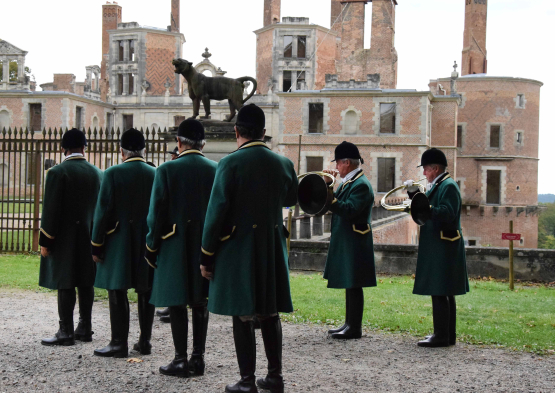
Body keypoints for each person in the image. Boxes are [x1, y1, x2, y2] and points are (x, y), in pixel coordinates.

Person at [200, 104, 298, 393]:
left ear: (236, 131)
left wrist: (207, 254)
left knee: (243, 313)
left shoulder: (229, 164)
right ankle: (275, 377)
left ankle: (247, 381)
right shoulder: (284, 163)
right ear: (264, 132)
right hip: (270, 246)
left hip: (239, 248)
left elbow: (215, 213)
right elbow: (290, 198)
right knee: (269, 311)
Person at [146, 119, 216, 377]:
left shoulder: (166, 170)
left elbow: (156, 214)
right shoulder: (215, 169)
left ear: (179, 142)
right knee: (200, 302)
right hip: (204, 244)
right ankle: (198, 359)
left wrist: (151, 246)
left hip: (174, 243)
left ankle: (180, 359)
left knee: (177, 302)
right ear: (203, 143)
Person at [91, 129, 156, 358]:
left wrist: (96, 244)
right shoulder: (154, 173)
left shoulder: (113, 173)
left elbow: (103, 212)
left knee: (117, 289)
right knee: (146, 289)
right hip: (147, 240)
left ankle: (119, 342)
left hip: (118, 239)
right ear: (143, 149)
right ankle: (145, 341)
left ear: (121, 152)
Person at [39, 128, 103, 346]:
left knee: (65, 282)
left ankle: (65, 330)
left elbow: (50, 211)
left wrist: (46, 241)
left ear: (63, 148)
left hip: (65, 239)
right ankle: (85, 327)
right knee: (86, 282)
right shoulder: (97, 173)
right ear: (84, 147)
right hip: (90, 236)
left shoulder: (57, 173)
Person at [412, 148, 469, 347]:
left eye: (426, 169)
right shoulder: (439, 185)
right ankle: (446, 334)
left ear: (435, 169)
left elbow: (447, 213)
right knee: (444, 290)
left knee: (440, 289)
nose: (424, 173)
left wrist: (424, 208)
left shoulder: (448, 186)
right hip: (440, 243)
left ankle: (442, 335)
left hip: (444, 244)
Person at [322, 141, 376, 339]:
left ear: (347, 162)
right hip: (348, 238)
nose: (336, 167)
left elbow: (349, 210)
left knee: (354, 283)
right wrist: (327, 187)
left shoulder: (361, 184)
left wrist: (329, 192)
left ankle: (354, 327)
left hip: (355, 239)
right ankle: (349, 323)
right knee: (349, 282)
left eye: (337, 163)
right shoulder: (351, 182)